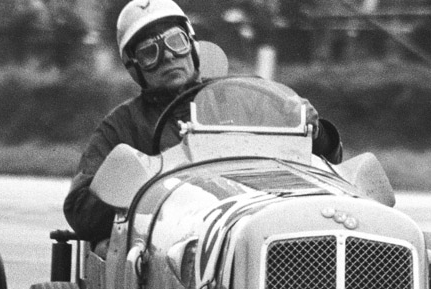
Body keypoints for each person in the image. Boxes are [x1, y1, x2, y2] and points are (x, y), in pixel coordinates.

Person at [63, 0, 343, 244]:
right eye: (151, 52)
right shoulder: (121, 126)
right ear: (135, 67)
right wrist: (140, 186)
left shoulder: (246, 97)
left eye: (176, 41)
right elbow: (79, 210)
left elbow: (328, 159)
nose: (169, 55)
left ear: (192, 47)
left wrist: (315, 130)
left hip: (255, 226)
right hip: (174, 244)